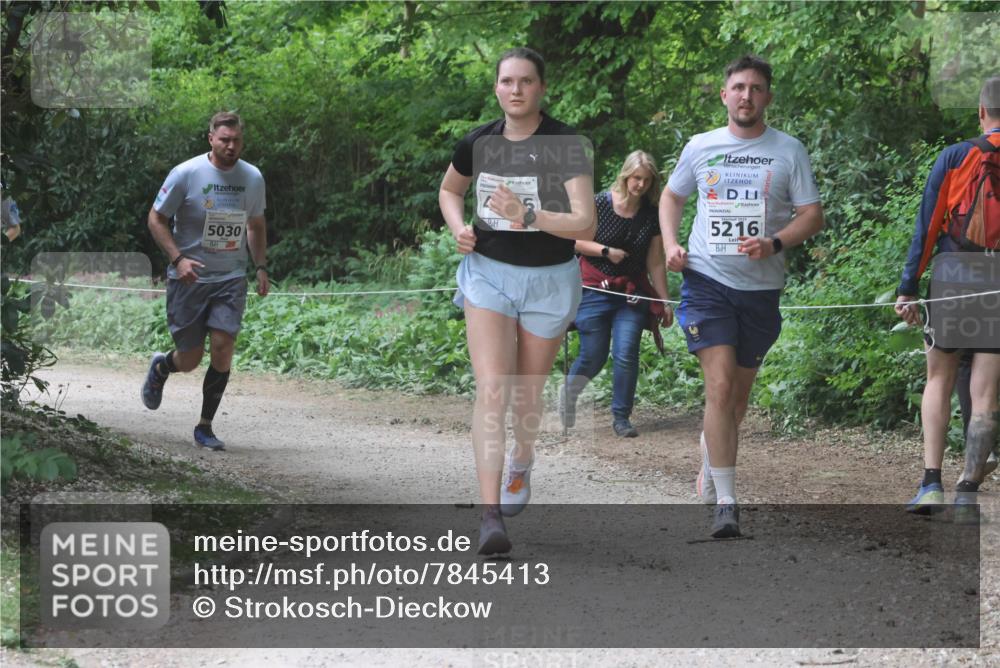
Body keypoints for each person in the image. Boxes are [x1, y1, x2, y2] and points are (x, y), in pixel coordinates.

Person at [438, 47, 595, 555]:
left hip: (550, 279)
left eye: (526, 81)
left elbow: (584, 223)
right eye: (507, 81)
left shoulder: (564, 144)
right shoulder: (477, 142)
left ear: (541, 89)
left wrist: (529, 214)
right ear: (496, 89)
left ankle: (521, 460)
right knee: (493, 389)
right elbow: (449, 191)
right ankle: (489, 518)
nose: (516, 90)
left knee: (527, 393)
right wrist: (460, 228)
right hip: (489, 274)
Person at [660, 55, 824, 538]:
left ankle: (713, 456)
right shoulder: (701, 145)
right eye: (738, 87)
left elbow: (811, 215)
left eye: (755, 88)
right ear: (724, 95)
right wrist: (671, 244)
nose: (746, 95)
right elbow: (672, 196)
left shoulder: (788, 150)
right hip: (706, 280)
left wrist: (774, 243)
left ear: (767, 97)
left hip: (761, 288)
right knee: (720, 387)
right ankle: (728, 502)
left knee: (736, 397)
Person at [895, 75, 1000, 519]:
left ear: (981, 112)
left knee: (938, 378)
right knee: (986, 394)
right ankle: (967, 493)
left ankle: (930, 484)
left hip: (953, 272)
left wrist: (908, 286)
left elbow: (928, 224)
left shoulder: (955, 157)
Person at [141, 111, 269, 451]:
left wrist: (260, 266)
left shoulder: (252, 178)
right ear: (211, 138)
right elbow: (156, 219)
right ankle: (163, 365)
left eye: (236, 140)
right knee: (191, 358)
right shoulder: (186, 173)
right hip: (189, 278)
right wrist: (178, 259)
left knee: (223, 347)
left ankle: (205, 426)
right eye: (224, 139)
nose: (231, 146)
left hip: (230, 276)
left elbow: (255, 225)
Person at [560, 150, 672, 438]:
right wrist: (606, 251)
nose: (640, 185)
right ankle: (568, 394)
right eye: (636, 178)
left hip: (631, 293)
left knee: (626, 353)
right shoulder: (599, 203)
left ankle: (621, 417)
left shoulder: (651, 214)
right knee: (593, 356)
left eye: (647, 180)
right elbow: (574, 241)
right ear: (625, 176)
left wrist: (664, 300)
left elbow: (656, 260)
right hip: (594, 288)